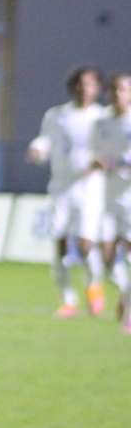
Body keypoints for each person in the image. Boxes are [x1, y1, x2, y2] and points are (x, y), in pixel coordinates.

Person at [27, 66, 107, 318]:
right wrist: (38, 149)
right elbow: (46, 141)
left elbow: (112, 150)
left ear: (97, 88)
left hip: (90, 188)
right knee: (60, 243)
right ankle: (68, 300)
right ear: (72, 87)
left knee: (86, 244)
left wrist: (102, 161)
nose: (84, 89)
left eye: (89, 84)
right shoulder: (56, 115)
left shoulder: (102, 117)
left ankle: (93, 287)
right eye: (80, 84)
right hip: (61, 188)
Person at [91, 72, 131, 333]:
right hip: (105, 197)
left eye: (124, 90)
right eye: (115, 90)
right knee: (106, 256)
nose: (119, 95)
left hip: (130, 198)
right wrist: (97, 162)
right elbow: (93, 153)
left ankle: (128, 311)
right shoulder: (101, 122)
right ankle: (125, 293)